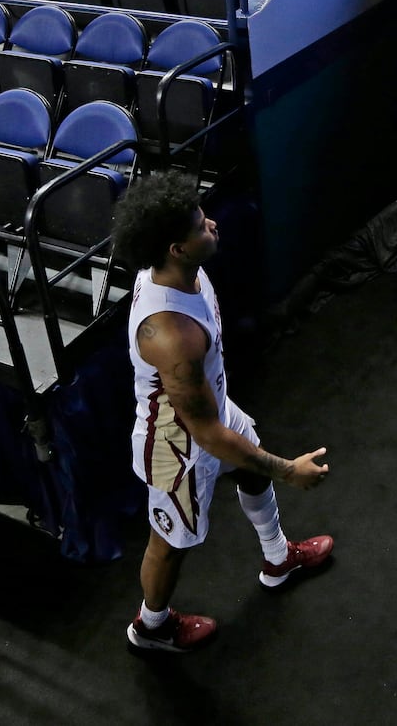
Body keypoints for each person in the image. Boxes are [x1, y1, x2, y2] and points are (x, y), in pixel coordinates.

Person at [115, 172, 333, 653]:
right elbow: (207, 433)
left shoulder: (182, 269)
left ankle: (277, 559)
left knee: (251, 468)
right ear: (176, 248)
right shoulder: (170, 332)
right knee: (170, 545)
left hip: (209, 410)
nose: (211, 224)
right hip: (177, 444)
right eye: (199, 226)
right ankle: (151, 627)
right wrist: (288, 470)